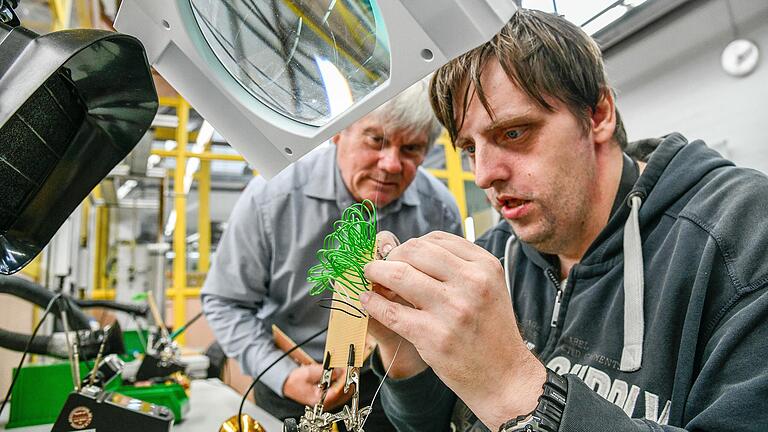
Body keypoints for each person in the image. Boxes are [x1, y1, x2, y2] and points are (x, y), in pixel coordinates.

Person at [359, 9, 768, 432]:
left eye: (513, 133)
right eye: (469, 148)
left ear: (598, 115)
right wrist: (404, 353)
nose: (484, 174)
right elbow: (430, 423)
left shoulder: (743, 235)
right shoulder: (497, 250)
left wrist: (514, 388)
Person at [201, 80, 463, 429]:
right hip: (294, 384)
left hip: (390, 394)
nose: (390, 164)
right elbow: (225, 302)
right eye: (376, 140)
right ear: (338, 133)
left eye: (411, 149)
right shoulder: (272, 198)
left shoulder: (439, 212)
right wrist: (283, 376)